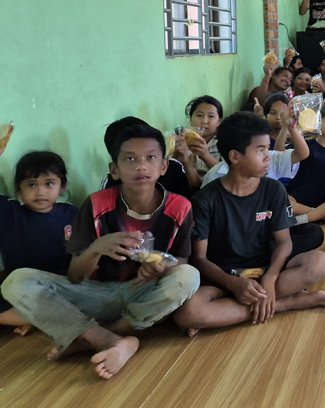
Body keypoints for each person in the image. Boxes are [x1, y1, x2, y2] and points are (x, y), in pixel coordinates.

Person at [2, 124, 200, 379]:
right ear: (114, 169)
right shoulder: (96, 204)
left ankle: (104, 335)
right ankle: (108, 339)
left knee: (189, 275)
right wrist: (96, 248)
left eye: (150, 157)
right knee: (16, 281)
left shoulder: (180, 207)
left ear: (163, 166)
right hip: (94, 293)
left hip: (141, 293)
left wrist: (159, 269)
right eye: (130, 159)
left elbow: (181, 261)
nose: (141, 166)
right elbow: (75, 275)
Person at [172, 113, 325, 335]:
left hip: (265, 268)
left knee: (319, 262)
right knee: (187, 312)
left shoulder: (273, 189)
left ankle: (237, 309)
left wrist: (270, 277)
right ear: (235, 156)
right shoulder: (205, 199)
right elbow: (199, 258)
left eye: (267, 149)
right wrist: (233, 284)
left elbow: (284, 242)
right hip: (225, 277)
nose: (268, 157)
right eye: (260, 150)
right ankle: (285, 303)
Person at [0, 151, 79, 335]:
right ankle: (36, 318)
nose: (40, 192)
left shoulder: (71, 214)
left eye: (49, 184)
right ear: (18, 189)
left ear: (62, 186)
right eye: (31, 185)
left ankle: (33, 318)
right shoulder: (11, 214)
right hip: (20, 291)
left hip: (61, 287)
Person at [183, 95, 223, 178]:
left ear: (219, 121)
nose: (204, 121)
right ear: (190, 118)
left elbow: (226, 173)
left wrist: (206, 156)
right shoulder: (182, 140)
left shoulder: (225, 142)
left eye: (211, 116)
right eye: (199, 115)